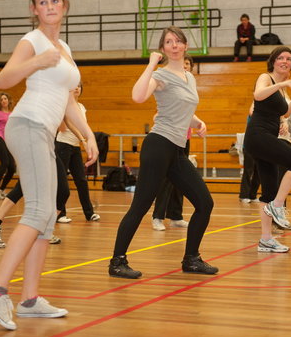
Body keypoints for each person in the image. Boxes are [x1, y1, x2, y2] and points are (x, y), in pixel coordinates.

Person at [0, 0, 98, 331]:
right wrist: (37, 61)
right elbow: (4, 80)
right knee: (39, 210)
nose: (49, 6)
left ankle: (30, 299)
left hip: (45, 131)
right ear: (34, 9)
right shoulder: (33, 42)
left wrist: (87, 134)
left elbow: (69, 99)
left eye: (54, 0)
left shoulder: (64, 46)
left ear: (64, 6)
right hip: (27, 124)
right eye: (42, 2)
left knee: (48, 215)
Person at [109, 26, 218, 279]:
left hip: (177, 151)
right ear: (163, 48)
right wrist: (150, 65)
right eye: (169, 42)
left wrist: (197, 124)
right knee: (141, 205)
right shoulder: (160, 75)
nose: (174, 45)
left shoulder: (189, 78)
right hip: (158, 146)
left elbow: (181, 109)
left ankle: (191, 259)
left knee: (205, 202)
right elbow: (138, 96)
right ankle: (117, 261)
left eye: (178, 41)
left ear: (185, 46)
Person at [244, 46, 291, 253]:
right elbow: (258, 95)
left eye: (289, 59)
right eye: (281, 57)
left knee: (268, 192)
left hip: (268, 137)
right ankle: (278, 205)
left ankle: (266, 239)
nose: (285, 61)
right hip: (257, 136)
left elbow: (286, 112)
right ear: (273, 61)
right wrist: (281, 83)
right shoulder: (266, 78)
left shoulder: (282, 88)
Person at [0, 155, 71, 248]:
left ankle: (42, 230)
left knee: (62, 192)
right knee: (22, 187)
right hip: (37, 152)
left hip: (48, 152)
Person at [151, 55, 194, 230]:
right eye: (183, 63)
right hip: (168, 139)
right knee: (166, 179)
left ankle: (176, 215)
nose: (185, 66)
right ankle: (157, 216)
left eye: (188, 64)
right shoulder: (169, 82)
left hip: (185, 139)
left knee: (181, 180)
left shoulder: (190, 84)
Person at [55, 82, 100, 222]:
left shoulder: (81, 107)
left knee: (81, 180)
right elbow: (66, 125)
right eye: (74, 86)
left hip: (75, 147)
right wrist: (83, 139)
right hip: (63, 145)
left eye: (79, 86)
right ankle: (60, 214)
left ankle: (89, 213)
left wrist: (87, 141)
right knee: (61, 182)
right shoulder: (64, 105)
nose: (77, 88)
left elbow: (83, 126)